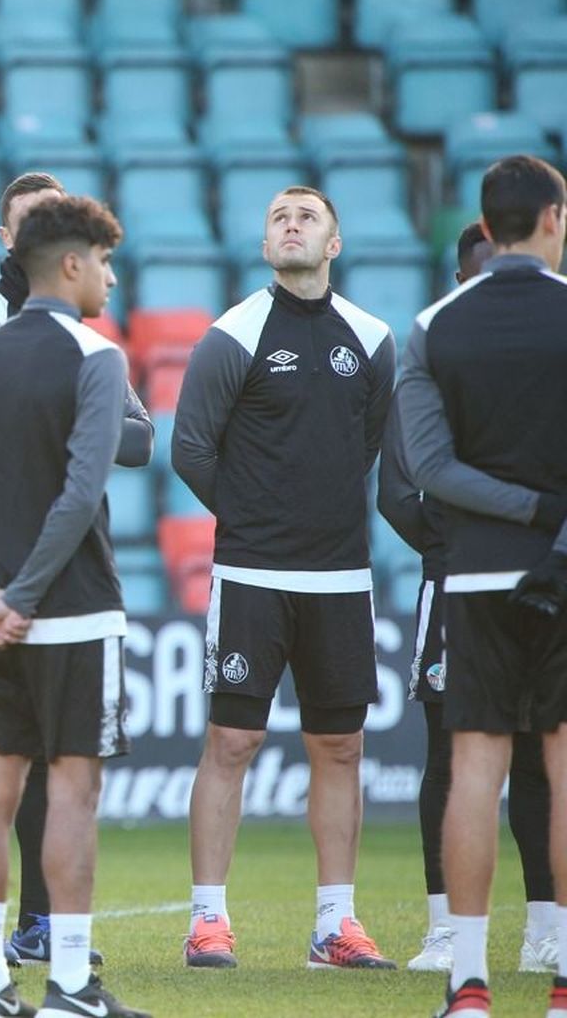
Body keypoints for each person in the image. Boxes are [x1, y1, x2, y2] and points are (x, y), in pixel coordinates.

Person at [0, 194, 148, 1018]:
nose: (112, 278)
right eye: (105, 260)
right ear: (70, 262)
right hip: (75, 611)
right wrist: (20, 595)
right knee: (72, 790)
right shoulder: (96, 357)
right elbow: (83, 491)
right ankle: (71, 985)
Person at [171, 186, 396, 971]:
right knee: (233, 739)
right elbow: (191, 450)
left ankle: (336, 924)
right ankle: (207, 919)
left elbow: (366, 445)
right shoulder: (232, 335)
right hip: (252, 573)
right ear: (266, 243)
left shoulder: (372, 339)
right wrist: (261, 520)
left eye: (306, 217)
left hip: (340, 575)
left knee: (340, 744)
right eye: (278, 217)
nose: (291, 224)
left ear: (333, 243)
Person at [393, 154, 567, 1018]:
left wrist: (516, 508)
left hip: (475, 573)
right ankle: (564, 971)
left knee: (474, 765)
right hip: (564, 572)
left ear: (486, 228)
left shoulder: (432, 324)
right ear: (552, 218)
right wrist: (551, 512)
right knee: (564, 764)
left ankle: (467, 977)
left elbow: (427, 467)